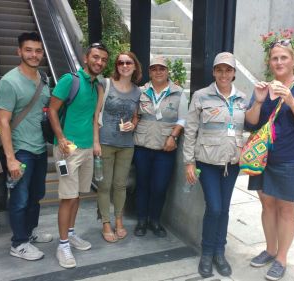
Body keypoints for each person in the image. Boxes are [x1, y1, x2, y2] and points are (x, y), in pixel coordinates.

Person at [245, 39, 294, 281]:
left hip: (291, 161)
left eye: (283, 58)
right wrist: (258, 100)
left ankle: (281, 258)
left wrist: (291, 101)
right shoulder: (263, 88)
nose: (279, 62)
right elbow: (249, 123)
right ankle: (270, 250)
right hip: (263, 160)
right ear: (270, 62)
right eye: (274, 58)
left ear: (293, 60)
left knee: (287, 211)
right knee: (267, 205)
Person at [183, 52, 248, 278]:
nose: (223, 74)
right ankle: (207, 252)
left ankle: (220, 252)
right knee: (215, 208)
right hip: (208, 162)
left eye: (228, 70)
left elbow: (245, 129)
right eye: (219, 69)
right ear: (213, 72)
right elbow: (190, 130)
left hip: (232, 163)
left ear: (233, 74)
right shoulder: (201, 96)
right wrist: (189, 162)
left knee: (225, 209)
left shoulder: (242, 98)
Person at [49, 42, 109, 268]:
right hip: (67, 150)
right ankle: (62, 245)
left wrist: (96, 144)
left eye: (103, 59)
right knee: (68, 197)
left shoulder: (97, 86)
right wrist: (61, 138)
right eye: (95, 57)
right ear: (86, 58)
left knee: (78, 195)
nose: (99, 62)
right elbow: (52, 110)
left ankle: (71, 233)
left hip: (86, 150)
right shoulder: (70, 80)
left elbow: (94, 118)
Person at [0, 32, 53, 261]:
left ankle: (28, 233)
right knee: (19, 199)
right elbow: (3, 121)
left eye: (38, 51)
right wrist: (10, 158)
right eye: (28, 50)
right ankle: (18, 243)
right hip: (21, 151)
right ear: (19, 52)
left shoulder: (44, 78)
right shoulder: (9, 82)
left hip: (39, 148)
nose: (34, 55)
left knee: (36, 195)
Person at [133, 56, 188, 237]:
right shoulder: (140, 92)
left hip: (166, 147)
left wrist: (174, 136)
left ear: (167, 72)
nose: (158, 72)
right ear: (149, 72)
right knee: (142, 184)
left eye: (162, 69)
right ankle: (142, 220)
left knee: (160, 186)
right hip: (142, 145)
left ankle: (154, 220)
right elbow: (134, 115)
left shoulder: (179, 93)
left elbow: (183, 118)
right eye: (154, 69)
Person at [93, 51, 142, 243]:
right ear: (116, 66)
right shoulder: (105, 84)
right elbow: (95, 115)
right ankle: (106, 222)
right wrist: (95, 142)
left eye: (128, 62)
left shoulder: (138, 92)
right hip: (105, 142)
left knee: (120, 185)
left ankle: (119, 220)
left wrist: (134, 124)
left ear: (135, 66)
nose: (124, 65)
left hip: (126, 144)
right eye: (120, 62)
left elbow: (136, 115)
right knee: (104, 185)